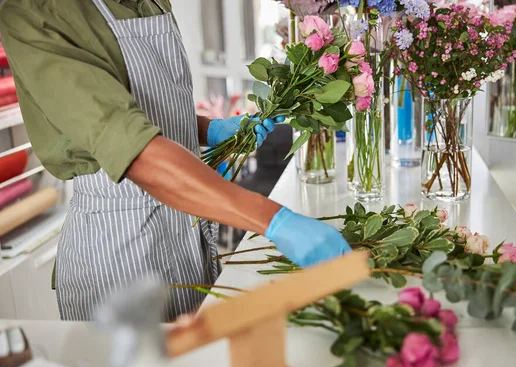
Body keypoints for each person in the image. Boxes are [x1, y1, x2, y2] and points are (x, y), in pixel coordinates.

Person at [0, 0, 351, 321]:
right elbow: (133, 149)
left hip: (185, 232)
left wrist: (208, 129)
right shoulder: (35, 11)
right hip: (120, 250)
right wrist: (277, 221)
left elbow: (143, 107)